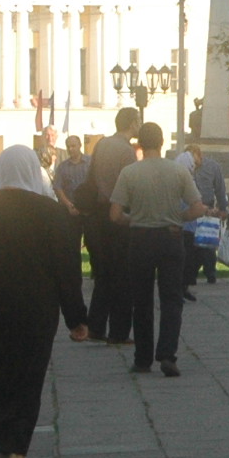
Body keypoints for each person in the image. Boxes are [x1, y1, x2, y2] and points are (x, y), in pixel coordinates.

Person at [0, 146, 87, 458]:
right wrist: (76, 318)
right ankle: (17, 457)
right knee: (28, 380)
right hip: (35, 310)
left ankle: (3, 451)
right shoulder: (51, 211)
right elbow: (67, 269)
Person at [109, 121, 204, 378]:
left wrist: (134, 218)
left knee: (141, 300)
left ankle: (142, 359)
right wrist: (178, 217)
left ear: (139, 144)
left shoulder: (129, 173)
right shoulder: (178, 171)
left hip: (140, 238)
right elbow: (198, 207)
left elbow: (115, 214)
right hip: (170, 237)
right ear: (162, 143)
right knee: (172, 298)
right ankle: (168, 354)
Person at [81, 107, 141, 344]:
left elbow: (91, 176)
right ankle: (119, 331)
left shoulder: (102, 144)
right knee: (122, 276)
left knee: (103, 274)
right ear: (132, 123)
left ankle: (96, 326)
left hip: (97, 214)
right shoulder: (126, 151)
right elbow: (129, 186)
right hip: (117, 214)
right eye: (137, 121)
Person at [182, 139, 229, 291]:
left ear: (199, 155)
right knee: (191, 244)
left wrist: (223, 208)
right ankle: (191, 275)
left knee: (208, 242)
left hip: (207, 207)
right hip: (190, 208)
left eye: (194, 159)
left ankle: (210, 272)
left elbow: (220, 188)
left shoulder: (213, 167)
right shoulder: (185, 168)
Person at [51, 136, 92, 249]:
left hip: (90, 210)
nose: (70, 149)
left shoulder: (91, 163)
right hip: (71, 210)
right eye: (68, 146)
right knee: (72, 244)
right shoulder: (62, 167)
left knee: (93, 243)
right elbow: (57, 187)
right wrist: (69, 205)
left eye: (73, 146)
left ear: (80, 145)